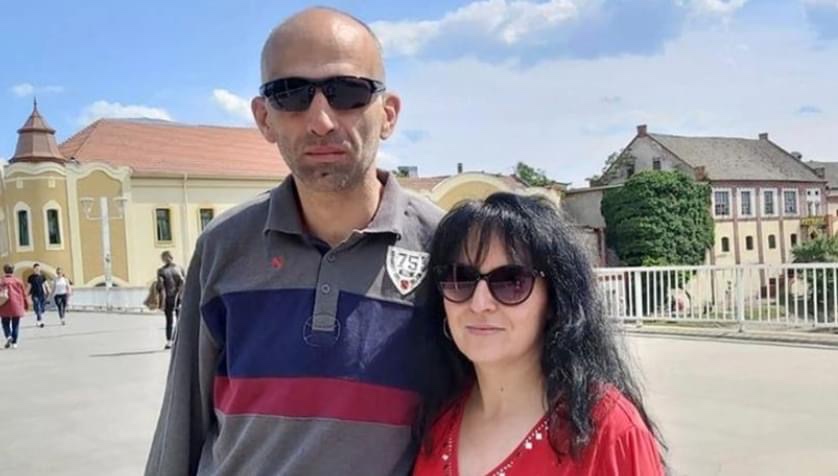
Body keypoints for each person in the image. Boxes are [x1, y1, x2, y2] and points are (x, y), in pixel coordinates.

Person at [145, 7, 442, 476]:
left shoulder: (445, 247)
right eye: (291, 95)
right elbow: (182, 421)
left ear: (388, 114)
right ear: (264, 118)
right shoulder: (224, 246)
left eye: (347, 92)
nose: (320, 120)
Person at [413, 193, 665, 475]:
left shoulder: (609, 431)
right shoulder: (436, 420)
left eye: (511, 281)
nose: (479, 303)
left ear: (553, 301)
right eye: (460, 278)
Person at [156, 251, 184, 349]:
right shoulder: (179, 268)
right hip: (176, 298)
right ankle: (173, 340)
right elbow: (184, 282)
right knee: (175, 319)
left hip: (172, 298)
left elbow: (160, 287)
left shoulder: (162, 271)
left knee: (173, 320)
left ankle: (171, 341)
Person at [1, 264, 29, 349]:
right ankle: (14, 343)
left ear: (4, 271)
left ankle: (8, 336)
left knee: (5, 323)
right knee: (15, 324)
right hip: (17, 305)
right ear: (13, 270)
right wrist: (26, 304)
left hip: (4, 305)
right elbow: (24, 294)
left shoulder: (1, 281)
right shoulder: (18, 281)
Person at [26, 263, 49, 328]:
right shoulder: (30, 277)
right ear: (33, 269)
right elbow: (29, 286)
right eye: (36, 269)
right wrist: (26, 293)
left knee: (42, 309)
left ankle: (38, 318)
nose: (37, 270)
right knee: (38, 307)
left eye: (38, 268)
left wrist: (48, 290)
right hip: (34, 294)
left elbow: (46, 284)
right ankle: (40, 321)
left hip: (42, 294)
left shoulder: (42, 276)